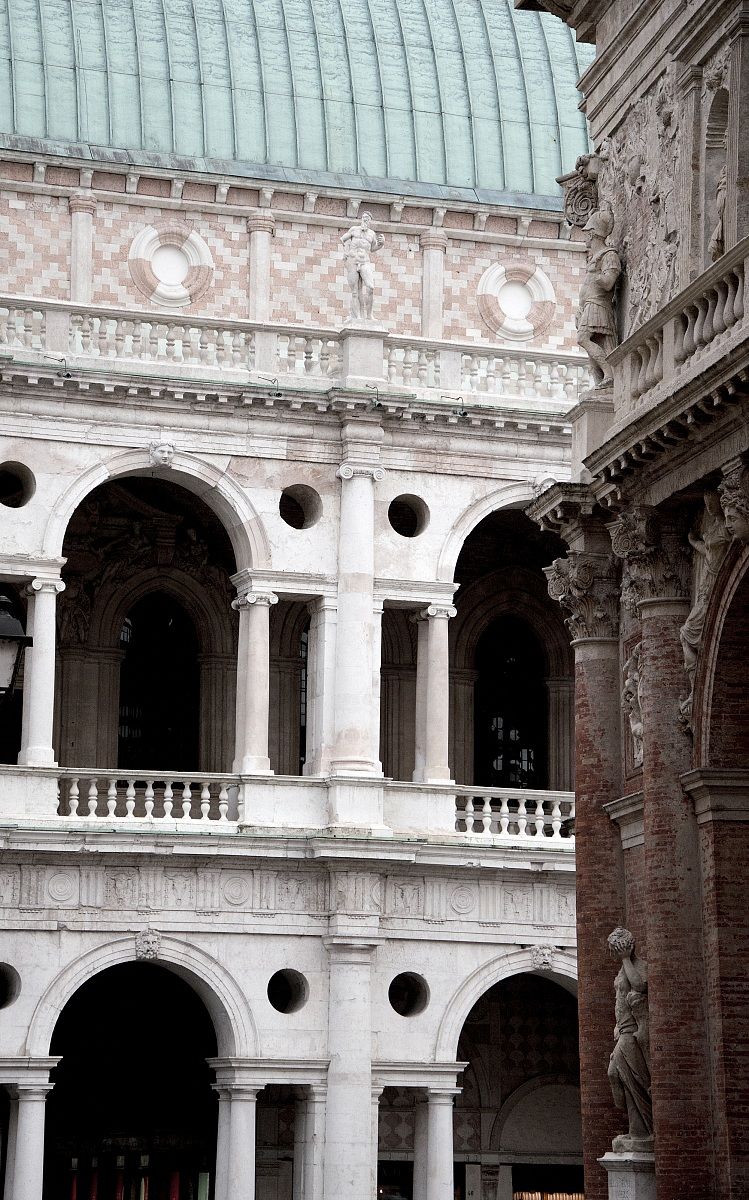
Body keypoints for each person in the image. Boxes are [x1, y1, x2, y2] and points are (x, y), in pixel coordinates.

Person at [607, 927, 653, 1149]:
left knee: (634, 1079)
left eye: (617, 949)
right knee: (619, 1077)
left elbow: (640, 985)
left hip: (632, 1032)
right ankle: (637, 1130)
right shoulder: (621, 969)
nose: (614, 954)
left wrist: (626, 958)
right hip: (622, 1030)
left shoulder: (636, 966)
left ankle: (643, 1130)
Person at [577, 203, 621, 386]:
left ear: (594, 233)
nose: (585, 237)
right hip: (589, 306)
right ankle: (602, 379)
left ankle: (609, 373)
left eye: (587, 233)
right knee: (597, 341)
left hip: (598, 305)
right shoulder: (595, 257)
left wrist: (597, 279)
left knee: (583, 338)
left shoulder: (609, 255)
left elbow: (609, 282)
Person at [340, 211, 385, 321]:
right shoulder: (354, 229)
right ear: (361, 219)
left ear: (370, 221)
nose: (365, 220)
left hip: (365, 261)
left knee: (370, 287)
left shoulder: (372, 234)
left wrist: (381, 244)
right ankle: (358, 317)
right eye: (364, 217)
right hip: (352, 260)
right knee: (355, 291)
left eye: (367, 218)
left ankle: (369, 315)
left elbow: (373, 248)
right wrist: (346, 252)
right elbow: (342, 239)